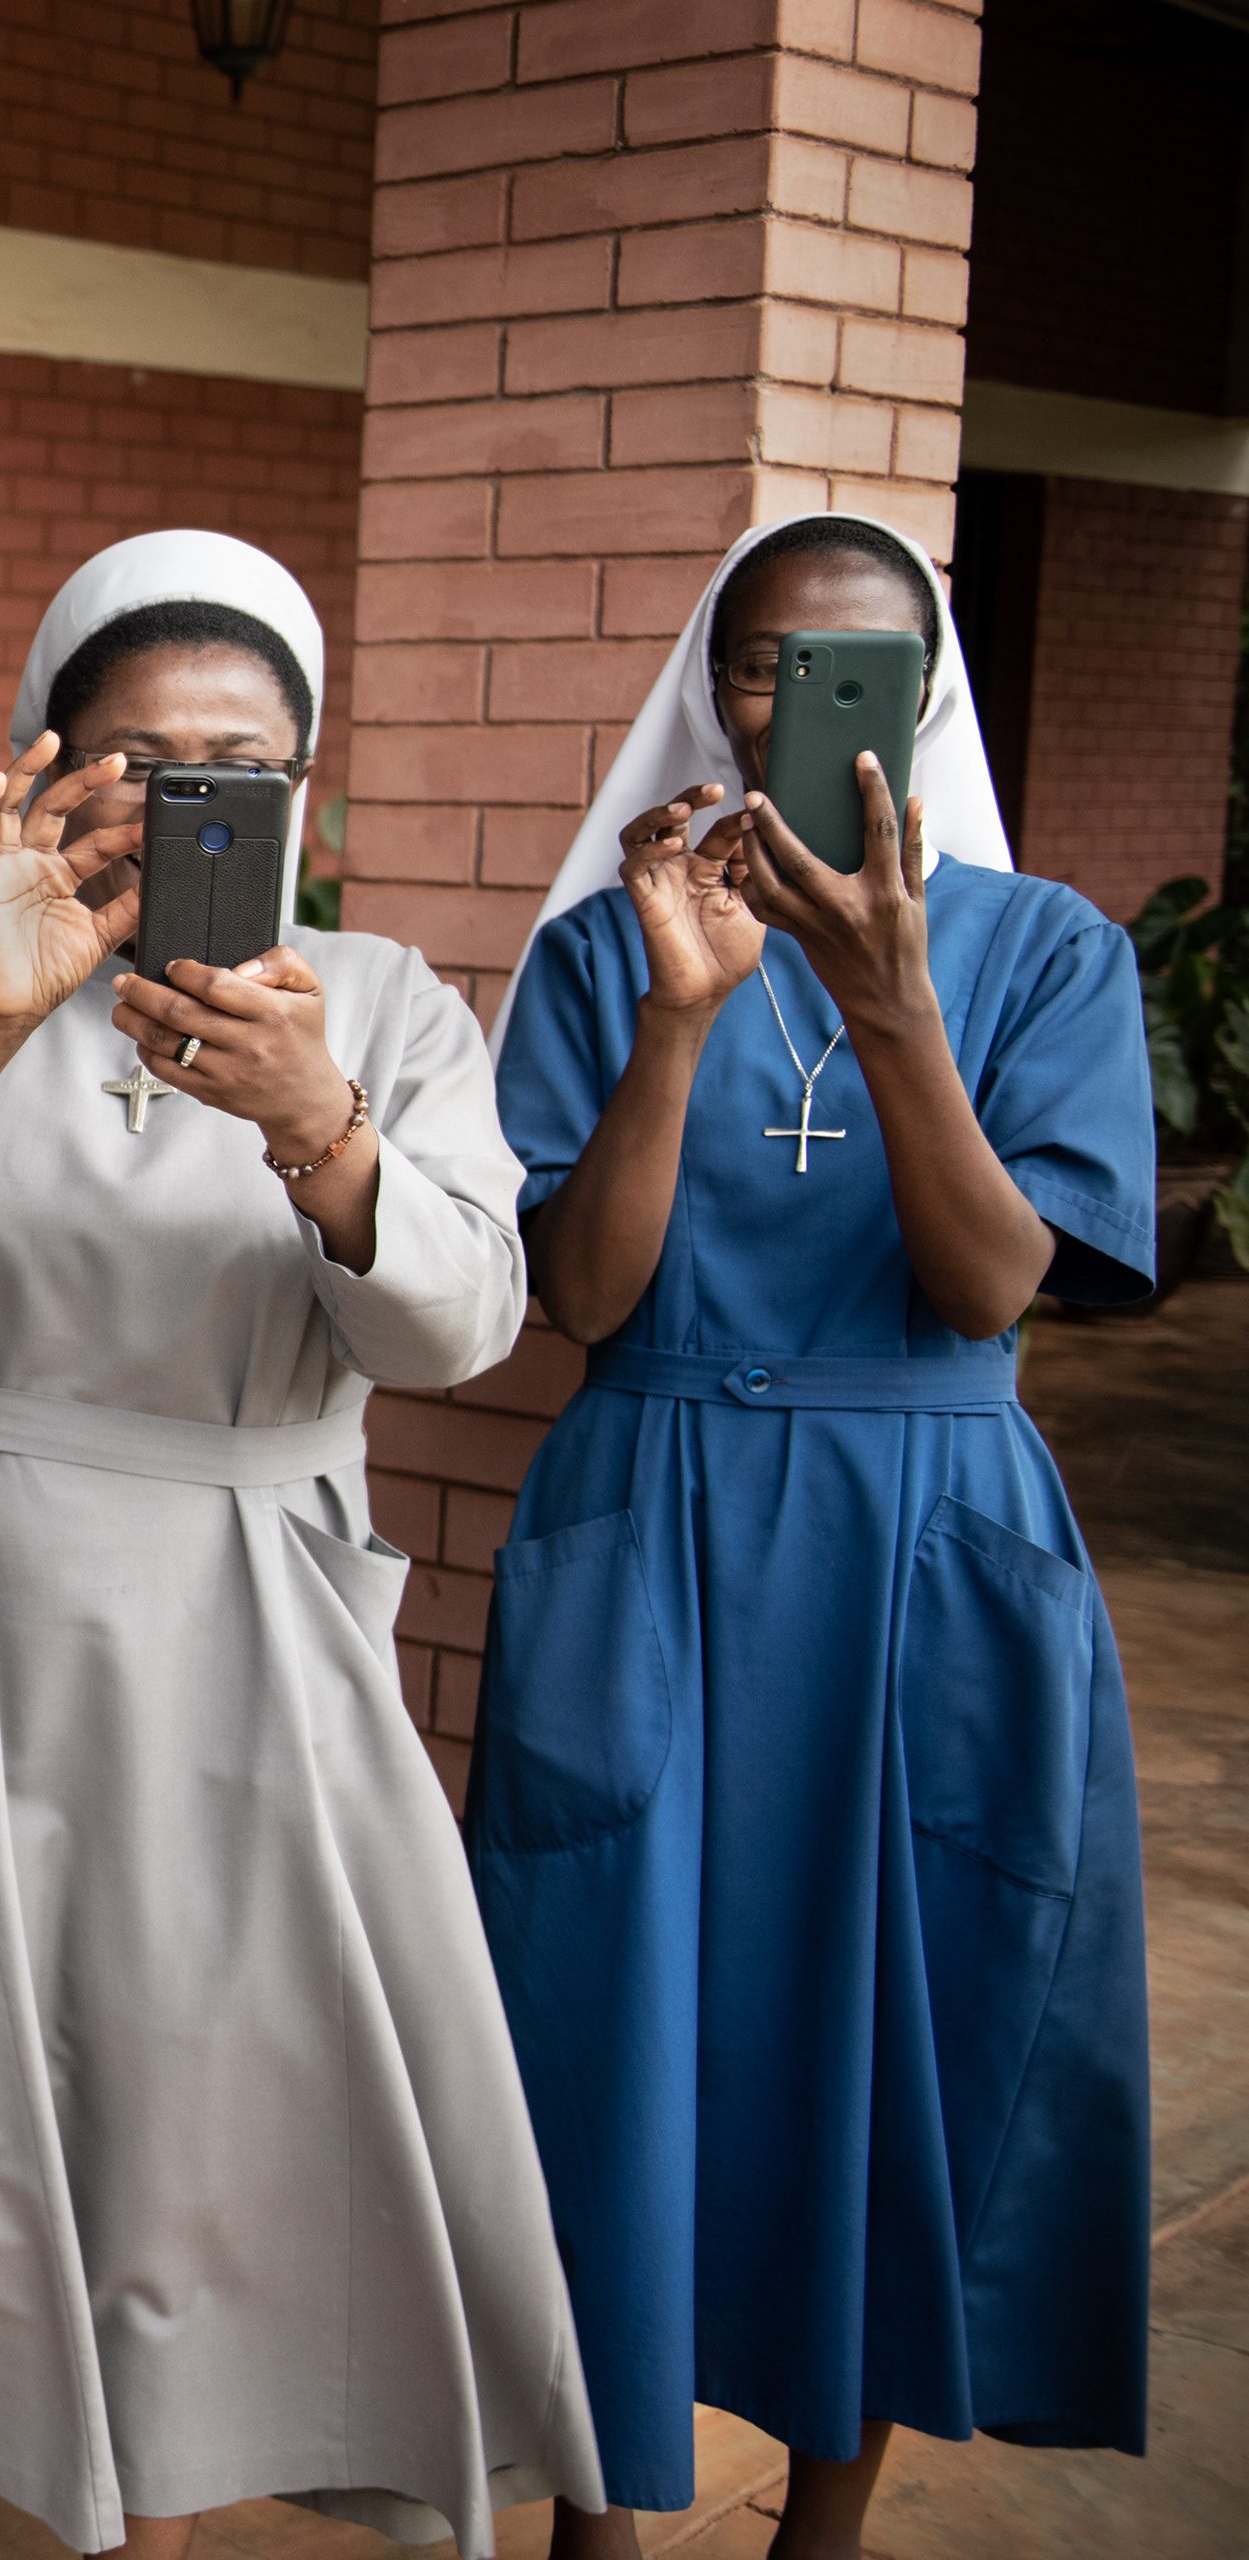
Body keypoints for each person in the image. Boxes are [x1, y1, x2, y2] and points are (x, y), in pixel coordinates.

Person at [0, 533, 602, 2560]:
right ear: (43, 770)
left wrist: (320, 1127)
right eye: (140, 758)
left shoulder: (383, 1007)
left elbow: (457, 1324)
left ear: (306, 787)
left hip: (240, 1622)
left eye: (240, 763)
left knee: (173, 2144)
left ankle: (135, 2527)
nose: (191, 798)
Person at [473, 513, 1157, 2560]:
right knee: (620, 2026)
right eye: (765, 664)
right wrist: (686, 1015)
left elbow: (983, 1286)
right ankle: (605, 2517)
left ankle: (827, 2526)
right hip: (659, 1520)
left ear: (923, 705)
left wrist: (891, 1003)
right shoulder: (605, 951)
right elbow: (582, 1301)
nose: (799, 708)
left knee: (899, 2023)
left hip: (920, 1545)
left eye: (855, 672)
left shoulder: (1047, 953)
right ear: (715, 686)